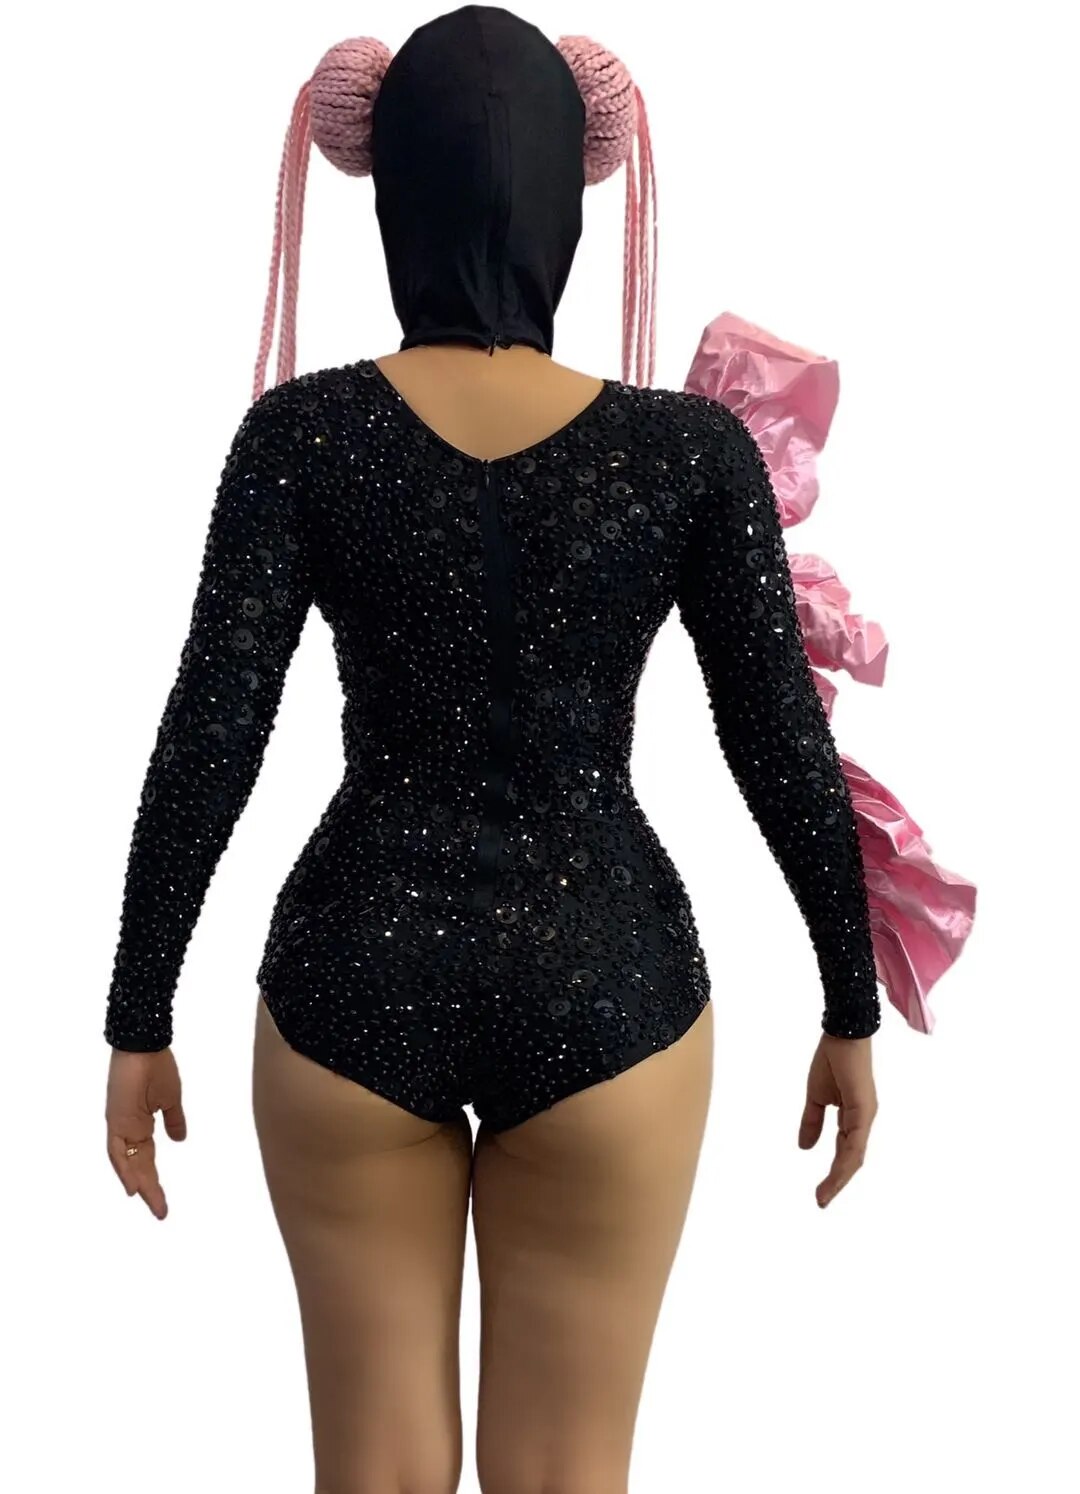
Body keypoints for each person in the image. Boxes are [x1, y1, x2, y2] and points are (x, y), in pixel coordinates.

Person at [103, 7, 885, 1491]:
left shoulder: (301, 435)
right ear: (570, 208)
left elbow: (211, 728)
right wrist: (848, 1001)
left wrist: (137, 1014)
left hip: (351, 975)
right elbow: (775, 739)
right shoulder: (685, 451)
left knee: (376, 1473)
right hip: (613, 982)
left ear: (386, 198)